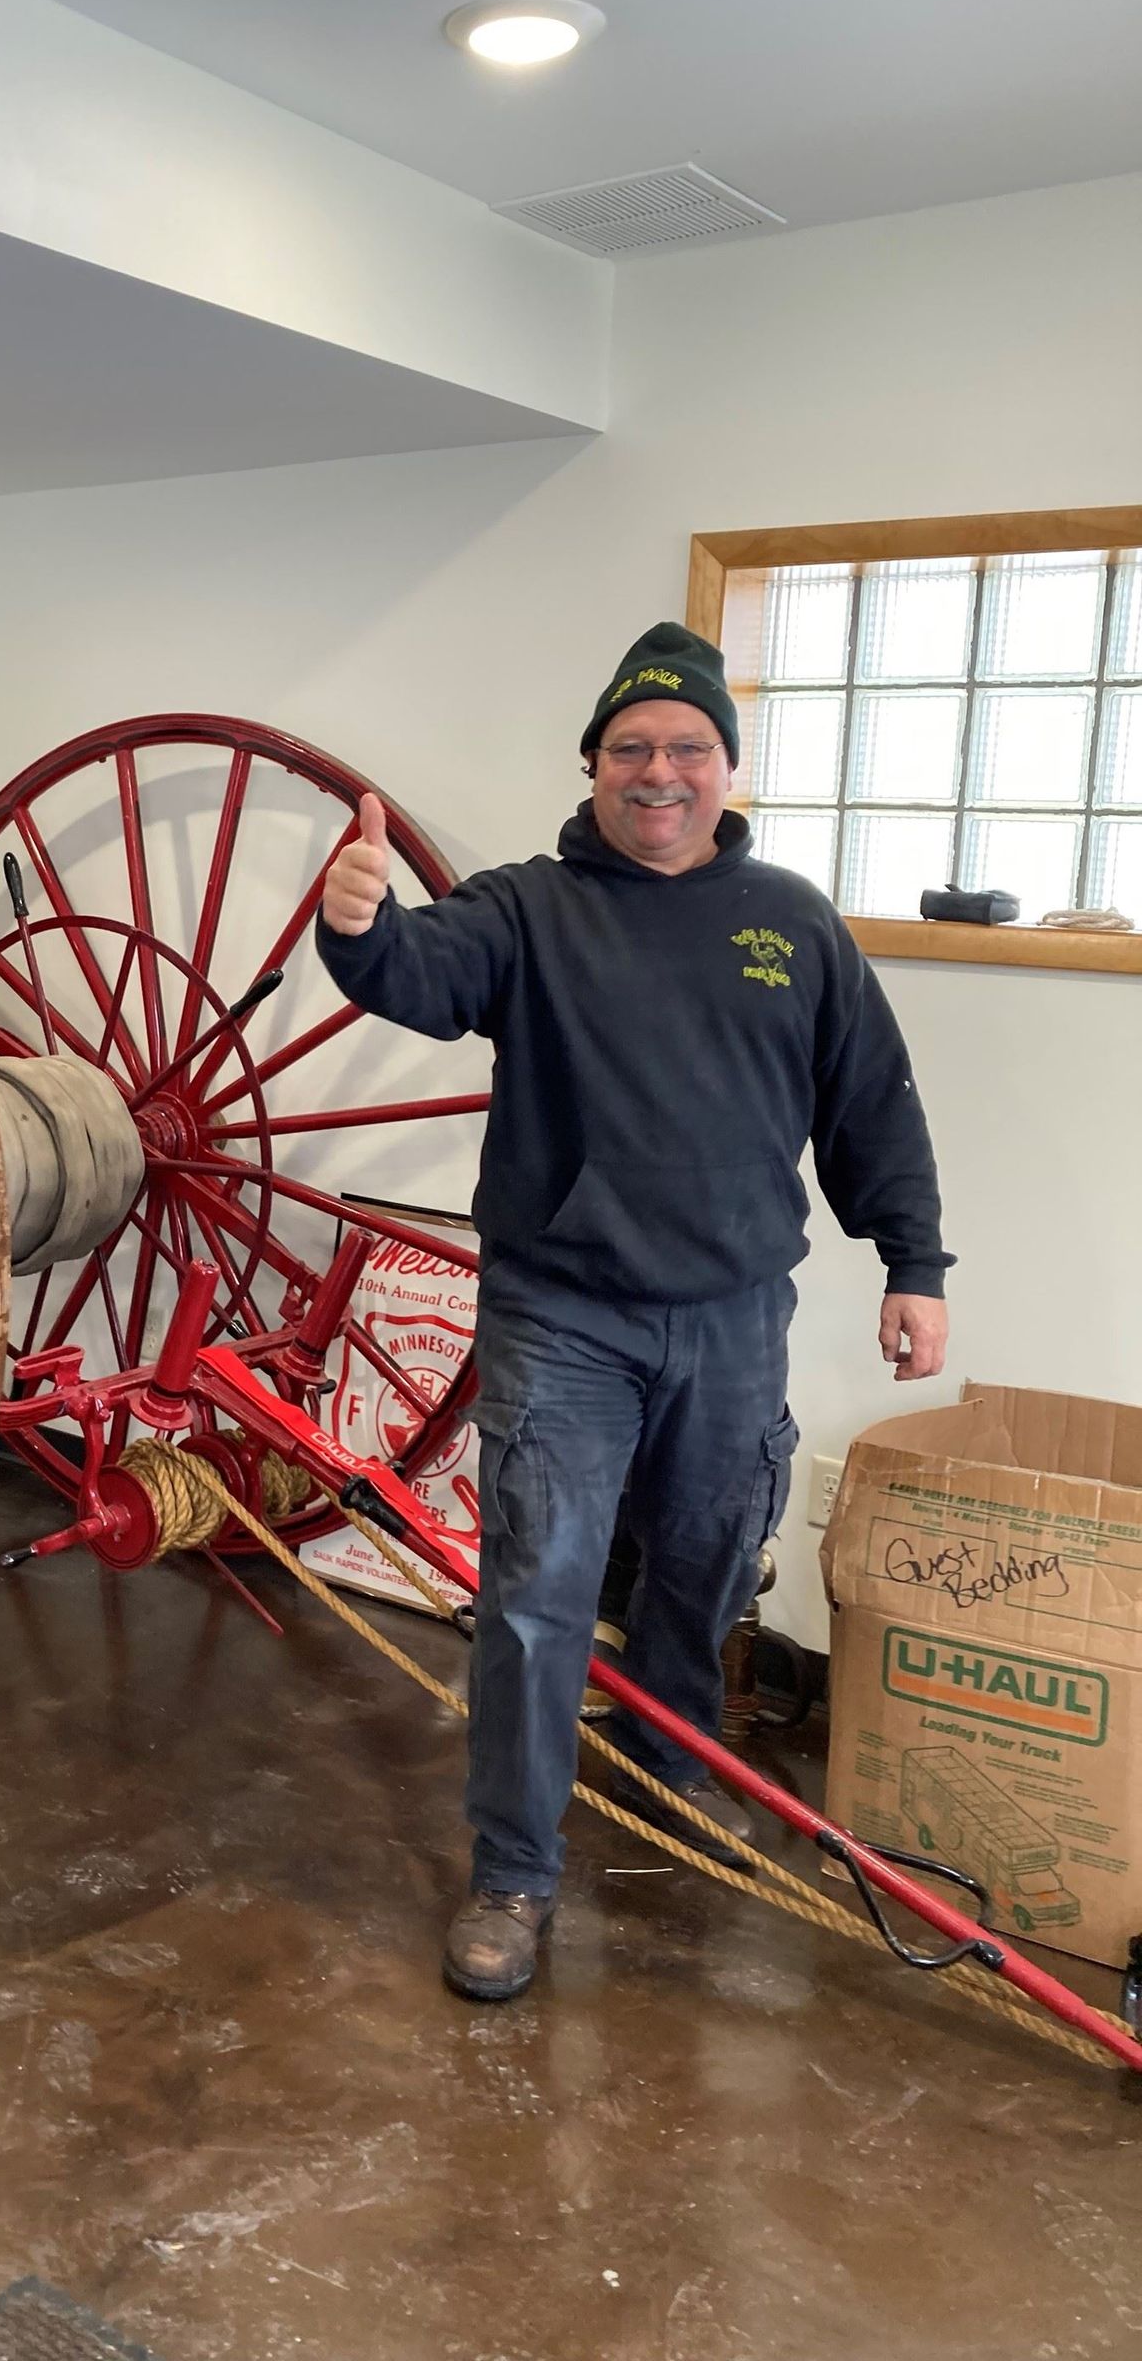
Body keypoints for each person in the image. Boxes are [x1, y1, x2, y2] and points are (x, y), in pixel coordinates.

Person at [315, 621, 951, 2004]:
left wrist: (915, 1263)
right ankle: (514, 1874)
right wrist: (358, 925)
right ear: (595, 765)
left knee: (711, 1563)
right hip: (567, 1319)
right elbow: (420, 974)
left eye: (687, 749)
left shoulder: (793, 924)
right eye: (631, 750)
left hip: (733, 1316)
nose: (658, 774)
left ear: (728, 767)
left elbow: (868, 1104)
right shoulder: (530, 909)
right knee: (539, 1598)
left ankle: (665, 1773)